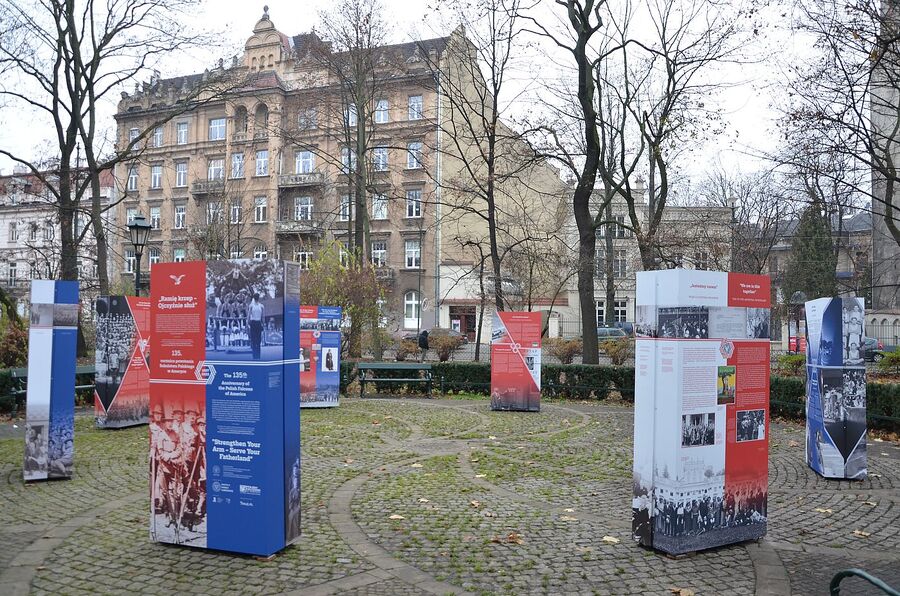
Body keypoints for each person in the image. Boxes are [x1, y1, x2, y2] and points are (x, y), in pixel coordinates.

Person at [248, 293, 264, 360]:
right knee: (254, 340)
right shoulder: (251, 306)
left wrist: (263, 324)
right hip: (253, 322)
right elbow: (249, 315)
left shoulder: (261, 306)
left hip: (258, 323)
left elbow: (263, 316)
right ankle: (255, 356)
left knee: (258, 340)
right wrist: (248, 323)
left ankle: (257, 356)